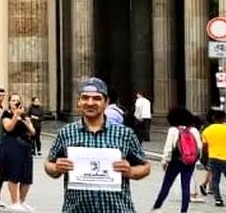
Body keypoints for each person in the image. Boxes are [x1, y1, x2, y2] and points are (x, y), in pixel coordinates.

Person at [45, 77, 150, 213]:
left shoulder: (124, 133)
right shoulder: (66, 133)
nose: (90, 102)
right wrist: (56, 168)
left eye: (96, 98)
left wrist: (131, 171)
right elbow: (48, 164)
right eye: (85, 98)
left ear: (106, 102)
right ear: (78, 102)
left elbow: (145, 166)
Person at [150, 107, 202, 213]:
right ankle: (184, 210)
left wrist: (164, 161)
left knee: (167, 184)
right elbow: (199, 147)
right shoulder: (194, 130)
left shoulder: (173, 130)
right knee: (186, 186)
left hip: (175, 161)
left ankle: (156, 207)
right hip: (189, 161)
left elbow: (168, 148)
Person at [0, 93, 36, 210]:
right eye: (13, 100)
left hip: (25, 145)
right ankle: (14, 202)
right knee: (14, 173)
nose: (15, 102)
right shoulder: (7, 114)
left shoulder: (24, 114)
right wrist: (15, 115)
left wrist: (25, 120)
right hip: (11, 143)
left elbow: (32, 132)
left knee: (26, 175)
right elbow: (8, 128)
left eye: (17, 100)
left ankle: (22, 201)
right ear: (9, 102)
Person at [200, 109, 226, 207]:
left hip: (213, 157)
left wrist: (209, 153)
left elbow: (204, 146)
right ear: (224, 118)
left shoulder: (207, 130)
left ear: (214, 118)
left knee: (215, 180)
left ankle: (218, 199)